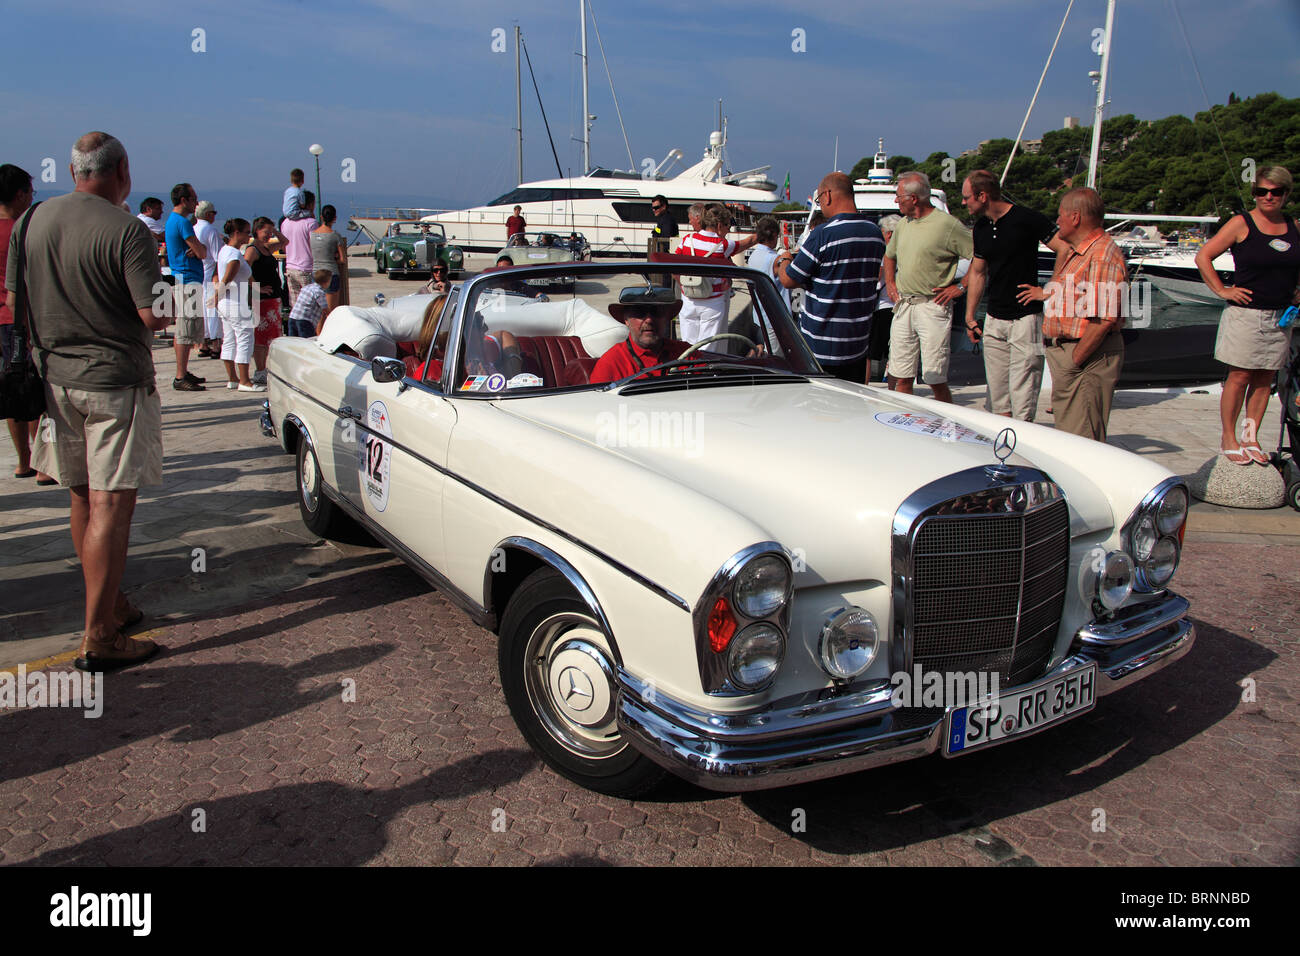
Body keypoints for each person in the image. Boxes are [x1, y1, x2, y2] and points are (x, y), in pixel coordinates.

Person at [4, 131, 168, 670]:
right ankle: (98, 634)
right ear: (121, 169)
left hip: (54, 380)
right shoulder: (129, 231)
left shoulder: (30, 222)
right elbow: (153, 316)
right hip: (114, 382)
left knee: (81, 498)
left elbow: (14, 300)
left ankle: (112, 604)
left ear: (74, 171)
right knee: (111, 505)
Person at [1195, 165, 1300, 464]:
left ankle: (1250, 436)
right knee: (1239, 376)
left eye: (1275, 192)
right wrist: (1222, 290)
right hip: (1245, 315)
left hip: (1281, 316)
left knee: (1265, 378)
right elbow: (1203, 256)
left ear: (1286, 194)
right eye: (1261, 192)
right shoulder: (1241, 223)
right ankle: (1229, 436)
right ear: (1254, 193)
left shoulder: (1293, 225)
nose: (1268, 197)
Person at [1020, 187, 1127, 442]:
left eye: (1061, 215)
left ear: (1075, 217)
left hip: (1085, 358)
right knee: (1072, 436)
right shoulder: (1083, 252)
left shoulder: (1101, 255)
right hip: (1075, 358)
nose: (1057, 222)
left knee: (1082, 440)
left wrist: (1074, 362)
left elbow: (1102, 320)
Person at [962, 170, 1068, 421]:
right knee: (997, 396)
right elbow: (978, 272)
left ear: (982, 195)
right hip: (993, 319)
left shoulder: (1026, 218)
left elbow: (1064, 248)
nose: (964, 202)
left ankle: (1023, 447)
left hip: (1025, 319)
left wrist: (1048, 290)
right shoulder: (981, 227)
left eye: (967, 197)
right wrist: (969, 316)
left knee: (1024, 394)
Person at [774, 174, 884, 381]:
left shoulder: (823, 235)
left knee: (820, 410)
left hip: (821, 348)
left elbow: (789, 280)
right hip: (857, 344)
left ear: (827, 196)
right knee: (851, 407)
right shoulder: (875, 233)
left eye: (819, 200)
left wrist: (784, 261)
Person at [881, 171, 973, 403]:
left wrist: (960, 287)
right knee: (900, 374)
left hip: (933, 306)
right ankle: (902, 421)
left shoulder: (947, 225)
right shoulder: (903, 225)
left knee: (935, 377)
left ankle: (945, 426)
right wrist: (890, 284)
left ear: (914, 198)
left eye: (899, 196)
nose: (895, 200)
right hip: (904, 305)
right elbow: (889, 256)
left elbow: (980, 258)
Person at [0, 164, 53, 483]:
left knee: (11, 389)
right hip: (24, 319)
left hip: (2, 320)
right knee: (38, 392)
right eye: (31, 193)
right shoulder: (25, 231)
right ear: (20, 194)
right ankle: (44, 463)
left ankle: (23, 461)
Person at [676, 203, 760, 344]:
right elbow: (748, 242)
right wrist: (763, 231)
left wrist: (682, 285)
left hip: (689, 300)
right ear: (719, 225)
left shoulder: (686, 240)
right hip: (712, 302)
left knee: (687, 346)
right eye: (727, 225)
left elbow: (674, 265)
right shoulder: (722, 245)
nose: (728, 229)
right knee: (707, 349)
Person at [589, 296, 692, 384]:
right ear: (626, 320)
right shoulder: (610, 364)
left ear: (666, 318)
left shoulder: (687, 354)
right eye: (639, 313)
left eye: (656, 312)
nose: (649, 320)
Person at [164, 182, 208, 390]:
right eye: (193, 199)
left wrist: (198, 248)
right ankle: (180, 376)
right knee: (185, 328)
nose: (196, 203)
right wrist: (201, 248)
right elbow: (201, 253)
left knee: (188, 327)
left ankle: (183, 372)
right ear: (184, 200)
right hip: (187, 278)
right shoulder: (182, 222)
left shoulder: (173, 221)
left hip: (184, 278)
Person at [214, 217, 261, 391]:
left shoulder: (224, 251)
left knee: (229, 340)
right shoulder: (234, 255)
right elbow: (227, 278)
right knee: (245, 339)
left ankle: (233, 379)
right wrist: (216, 297)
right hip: (235, 302)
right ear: (236, 233)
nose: (248, 236)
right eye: (246, 232)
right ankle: (244, 381)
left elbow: (221, 276)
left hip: (226, 304)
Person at [247, 216, 286, 383]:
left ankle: (269, 368)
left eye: (270, 231)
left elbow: (285, 241)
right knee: (261, 336)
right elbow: (245, 267)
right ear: (257, 230)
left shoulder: (266, 247)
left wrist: (275, 230)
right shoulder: (253, 249)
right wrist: (257, 288)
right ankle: (260, 369)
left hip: (273, 297)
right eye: (266, 231)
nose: (269, 235)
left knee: (273, 334)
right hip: (261, 299)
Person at [868, 213, 901, 382]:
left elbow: (876, 275)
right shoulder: (903, 252)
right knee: (893, 353)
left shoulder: (886, 252)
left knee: (869, 353)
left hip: (882, 307)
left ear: (888, 234)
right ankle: (893, 387)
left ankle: (865, 385)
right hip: (898, 306)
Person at [192, 200, 224, 359]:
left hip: (198, 272)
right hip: (211, 272)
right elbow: (218, 255)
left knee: (202, 310)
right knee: (213, 309)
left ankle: (203, 344)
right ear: (208, 214)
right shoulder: (210, 230)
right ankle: (216, 345)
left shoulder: (193, 229)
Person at [281, 190, 317, 307]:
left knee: (296, 308)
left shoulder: (285, 222)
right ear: (310, 204)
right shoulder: (311, 223)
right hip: (306, 268)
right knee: (310, 306)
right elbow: (315, 246)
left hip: (290, 267)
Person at [746, 216, 790, 310]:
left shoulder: (752, 256)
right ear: (774, 235)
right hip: (776, 316)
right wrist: (787, 256)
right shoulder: (774, 259)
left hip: (760, 313)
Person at [311, 204, 346, 316]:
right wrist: (335, 259)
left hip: (316, 274)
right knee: (331, 313)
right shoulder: (335, 236)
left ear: (321, 217)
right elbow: (342, 259)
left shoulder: (312, 235)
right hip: (331, 273)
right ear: (334, 218)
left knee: (319, 312)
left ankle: (318, 333)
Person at [286, 268, 333, 337]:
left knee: (294, 341)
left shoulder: (307, 287)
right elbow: (325, 309)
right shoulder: (319, 292)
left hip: (293, 318)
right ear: (326, 282)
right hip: (305, 321)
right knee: (307, 342)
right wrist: (333, 317)